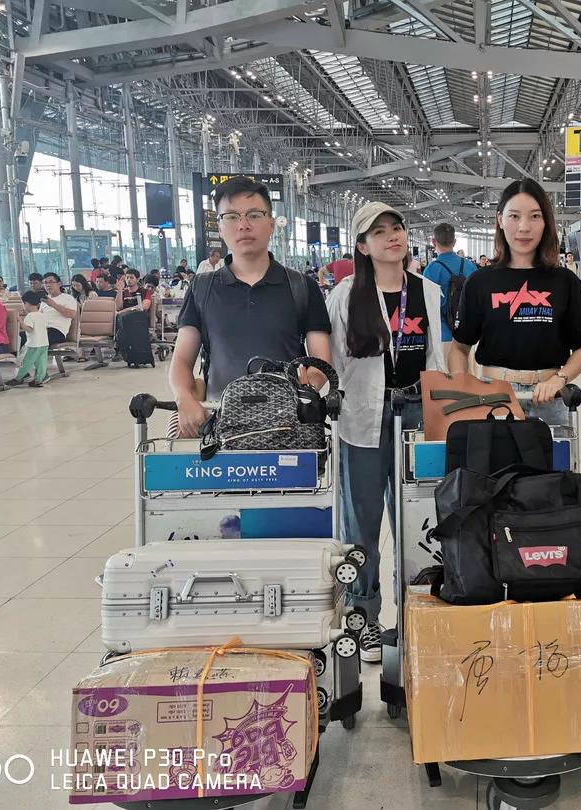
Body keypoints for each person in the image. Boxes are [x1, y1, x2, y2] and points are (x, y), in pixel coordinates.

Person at [328, 201, 444, 663]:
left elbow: (436, 356)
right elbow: (335, 362)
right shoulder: (345, 295)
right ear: (362, 246)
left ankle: (415, 612)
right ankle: (365, 616)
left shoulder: (427, 291)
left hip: (416, 412)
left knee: (416, 517)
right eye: (379, 232)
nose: (392, 236)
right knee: (362, 521)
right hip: (363, 417)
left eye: (397, 227)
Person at [170, 175, 333, 437]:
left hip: (288, 428)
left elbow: (321, 361)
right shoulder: (202, 288)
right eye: (231, 216)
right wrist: (184, 398)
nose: (243, 225)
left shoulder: (302, 287)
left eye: (254, 215)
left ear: (271, 224)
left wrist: (306, 390)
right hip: (222, 426)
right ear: (220, 227)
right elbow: (182, 358)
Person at [449, 178, 581, 424]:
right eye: (514, 216)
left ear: (546, 222)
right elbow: (459, 347)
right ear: (500, 219)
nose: (524, 227)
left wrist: (559, 379)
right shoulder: (480, 281)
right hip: (493, 398)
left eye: (535, 216)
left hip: (550, 400)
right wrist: (463, 386)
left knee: (554, 451)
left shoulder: (565, 281)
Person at [422, 222, 476, 346]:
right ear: (454, 242)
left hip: (441, 334)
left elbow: (427, 304)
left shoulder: (431, 269)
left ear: (433, 241)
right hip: (467, 333)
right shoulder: (470, 266)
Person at [6, 291, 50, 388]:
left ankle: (18, 378)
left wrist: (20, 321)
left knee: (26, 362)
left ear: (26, 303)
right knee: (41, 363)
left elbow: (29, 329)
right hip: (44, 343)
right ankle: (38, 380)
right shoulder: (42, 315)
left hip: (33, 344)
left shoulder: (30, 316)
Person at [39, 272, 78, 346]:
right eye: (45, 283)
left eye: (51, 282)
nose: (48, 285)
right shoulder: (44, 300)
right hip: (42, 329)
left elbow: (72, 314)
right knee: (20, 337)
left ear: (59, 284)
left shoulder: (68, 298)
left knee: (37, 339)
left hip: (57, 331)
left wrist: (53, 305)